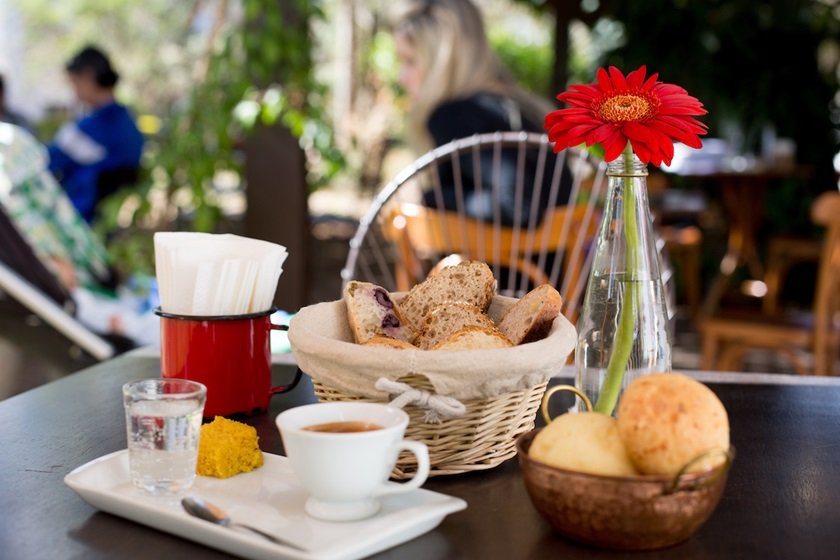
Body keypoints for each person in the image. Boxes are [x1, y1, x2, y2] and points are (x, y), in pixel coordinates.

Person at [392, 0, 571, 225]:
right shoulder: (522, 107)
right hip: (556, 258)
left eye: (410, 61)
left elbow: (517, 207)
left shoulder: (454, 116)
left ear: (442, 63)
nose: (402, 77)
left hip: (508, 259)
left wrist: (429, 198)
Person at [48, 46, 144, 222]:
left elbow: (47, 160)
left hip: (83, 219)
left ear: (88, 77)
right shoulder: (128, 125)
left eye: (74, 83)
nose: (74, 92)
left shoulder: (94, 127)